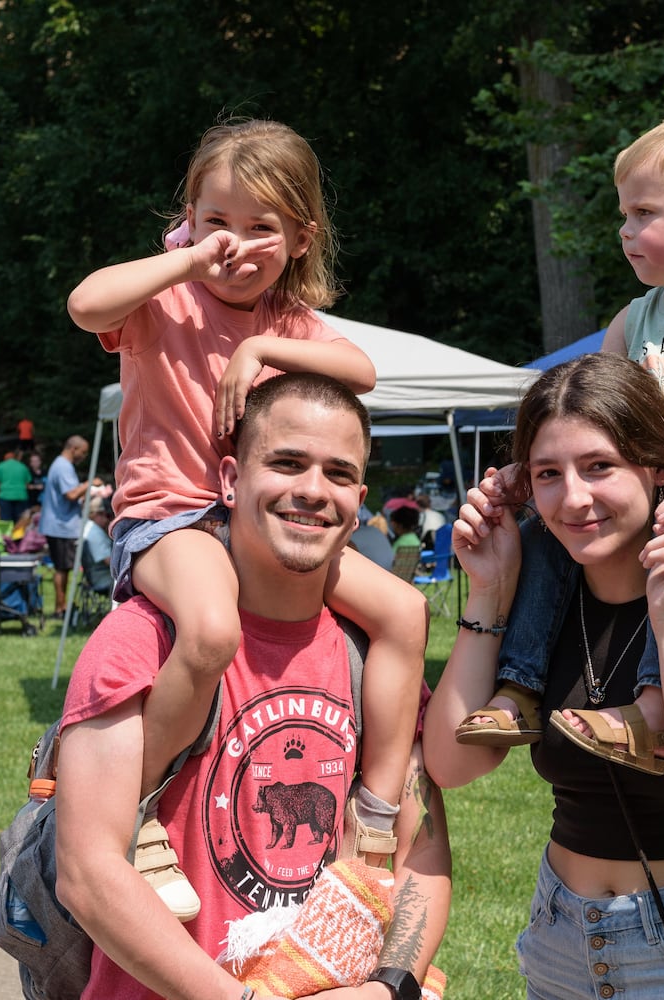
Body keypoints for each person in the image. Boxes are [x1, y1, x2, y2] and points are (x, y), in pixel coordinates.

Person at [67, 118, 425, 921]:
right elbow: (85, 304)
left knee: (406, 609)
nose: (235, 244)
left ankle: (373, 812)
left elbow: (361, 370)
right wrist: (184, 261)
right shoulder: (165, 297)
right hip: (172, 517)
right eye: (215, 220)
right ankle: (137, 807)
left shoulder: (287, 321)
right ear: (188, 219)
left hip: (253, 526)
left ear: (301, 237)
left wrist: (258, 354)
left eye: (261, 227)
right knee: (209, 628)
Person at [54, 373, 449, 1000]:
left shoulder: (371, 660)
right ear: (232, 480)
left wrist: (388, 988)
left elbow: (420, 854)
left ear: (360, 498)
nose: (314, 491)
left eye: (339, 474)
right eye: (287, 463)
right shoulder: (141, 643)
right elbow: (87, 871)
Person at [425, 354, 664, 997]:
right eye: (548, 474)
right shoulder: (543, 596)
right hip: (561, 937)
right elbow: (451, 764)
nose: (574, 498)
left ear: (658, 469)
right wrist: (487, 591)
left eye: (599, 466)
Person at [467, 111, 664, 764]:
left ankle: (654, 713)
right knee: (544, 539)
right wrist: (527, 479)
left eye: (645, 212)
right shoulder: (633, 318)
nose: (626, 230)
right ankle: (519, 690)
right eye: (625, 214)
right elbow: (584, 408)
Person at [40, 435, 103, 621]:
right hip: (60, 526)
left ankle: (62, 605)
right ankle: (61, 608)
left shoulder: (61, 465)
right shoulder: (63, 467)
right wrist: (91, 482)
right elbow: (70, 494)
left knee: (64, 568)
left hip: (60, 525)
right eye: (83, 452)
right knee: (62, 568)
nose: (84, 456)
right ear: (73, 449)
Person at [0, 450, 33, 522]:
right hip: (20, 495)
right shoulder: (22, 466)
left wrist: (0, 489)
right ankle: (18, 533)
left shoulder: (0, 466)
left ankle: (6, 533)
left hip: (5, 496)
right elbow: (28, 482)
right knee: (20, 520)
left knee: (5, 520)